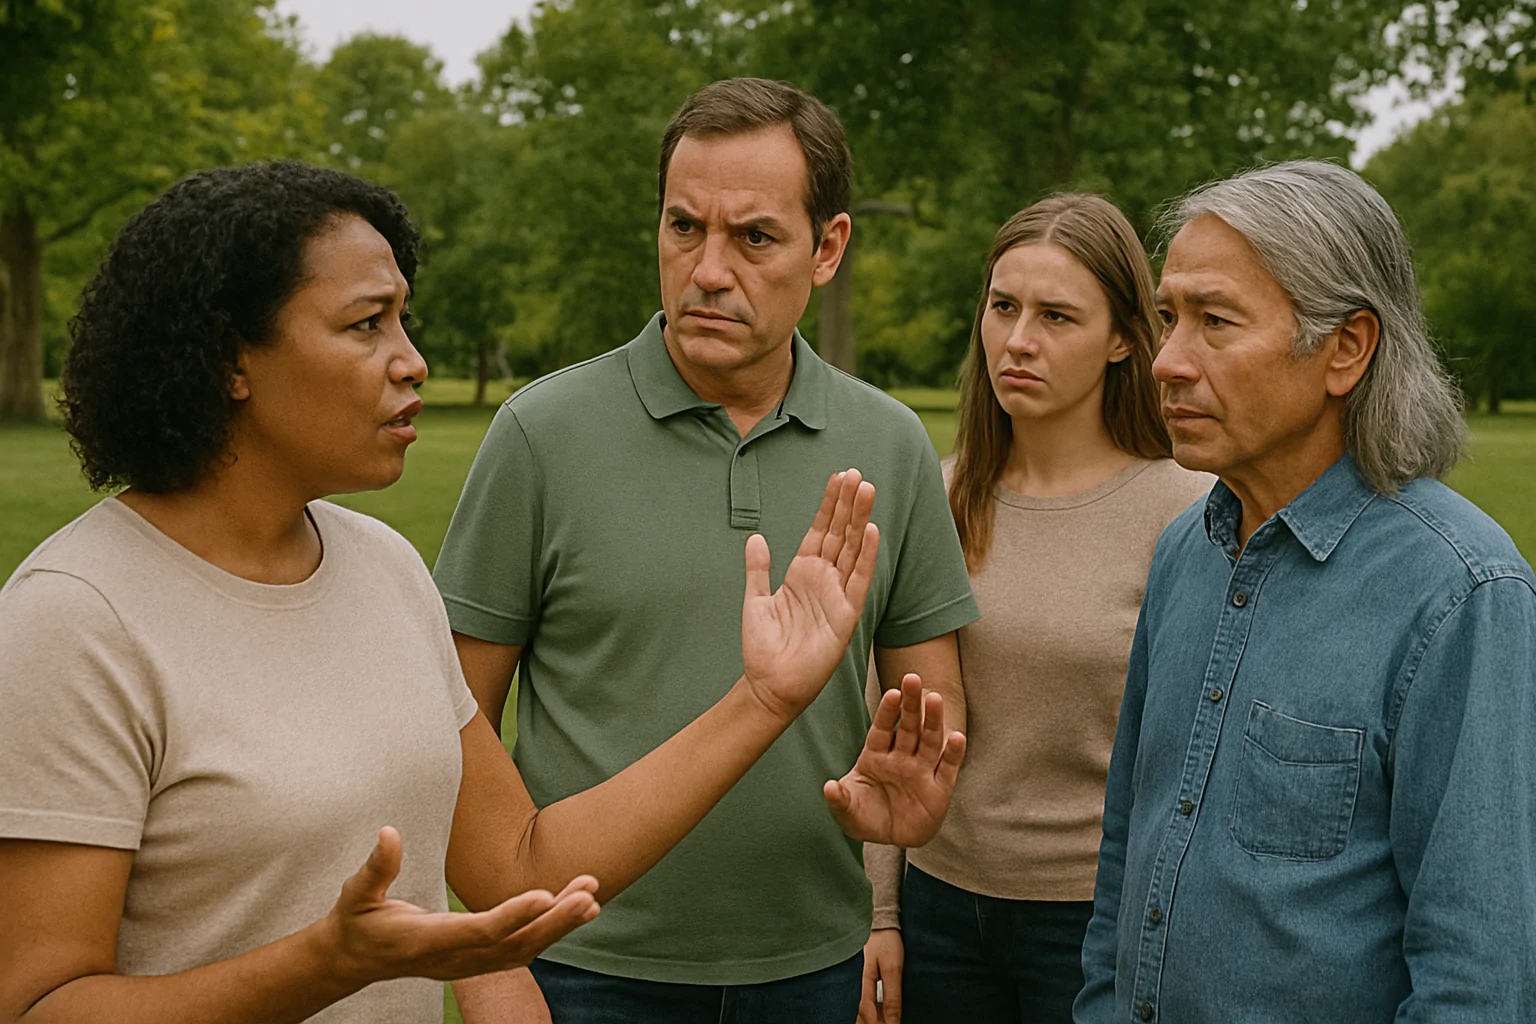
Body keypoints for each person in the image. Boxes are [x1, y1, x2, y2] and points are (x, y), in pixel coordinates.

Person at [0, 160, 968, 1024]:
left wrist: (763, 699)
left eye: (403, 318)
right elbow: (40, 1001)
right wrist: (319, 965)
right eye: (366, 323)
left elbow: (518, 863)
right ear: (231, 361)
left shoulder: (384, 568)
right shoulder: (77, 618)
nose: (412, 358)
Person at [433, 77, 978, 1023]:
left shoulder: (889, 445)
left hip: (813, 967)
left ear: (829, 249)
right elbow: (444, 725)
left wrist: (917, 803)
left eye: (754, 237)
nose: (709, 269)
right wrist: (491, 963)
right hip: (579, 966)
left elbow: (930, 709)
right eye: (685, 227)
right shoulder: (539, 435)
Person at [1074, 160, 1536, 1024]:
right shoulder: (1185, 550)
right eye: (1169, 318)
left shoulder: (1464, 592)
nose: (1167, 362)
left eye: (1215, 321)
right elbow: (1126, 856)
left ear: (1346, 348)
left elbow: (1480, 977)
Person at [858, 195, 1212, 1024]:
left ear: (1125, 337)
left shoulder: (1191, 514)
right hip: (939, 912)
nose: (1018, 342)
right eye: (1003, 307)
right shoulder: (936, 498)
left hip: (1098, 921)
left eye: (1057, 316)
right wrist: (881, 914)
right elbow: (883, 722)